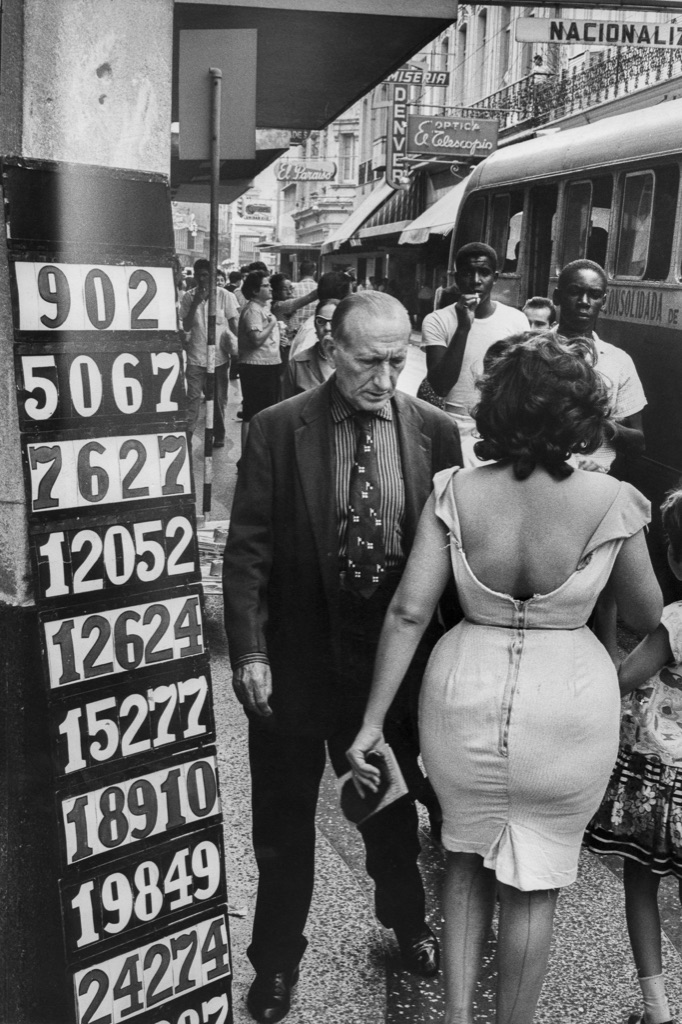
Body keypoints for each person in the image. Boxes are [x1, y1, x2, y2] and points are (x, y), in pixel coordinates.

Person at [348, 331, 662, 1024]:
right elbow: (645, 614)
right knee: (534, 885)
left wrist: (372, 723)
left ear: (498, 410)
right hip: (568, 707)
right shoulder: (612, 500)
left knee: (463, 859)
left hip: (463, 694)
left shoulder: (455, 491)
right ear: (580, 414)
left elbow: (408, 611)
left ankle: (457, 1018)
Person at [223, 292, 462, 1024]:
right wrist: (251, 650)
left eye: (398, 361)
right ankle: (274, 965)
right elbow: (249, 549)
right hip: (295, 663)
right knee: (285, 824)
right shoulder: (277, 428)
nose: (385, 378)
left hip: (387, 669)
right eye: (368, 361)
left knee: (391, 817)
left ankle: (408, 927)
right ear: (332, 348)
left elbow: (452, 553)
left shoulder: (435, 431)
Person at [584, 487, 682, 1024]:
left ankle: (657, 1009)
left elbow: (618, 682)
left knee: (642, 883)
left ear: (672, 557)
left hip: (654, 782)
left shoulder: (675, 622)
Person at [422, 242, 528, 466]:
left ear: (495, 277)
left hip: (500, 427)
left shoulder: (516, 320)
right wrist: (463, 327)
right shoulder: (437, 320)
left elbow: (521, 384)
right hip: (453, 423)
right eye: (468, 273)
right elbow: (441, 385)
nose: (476, 280)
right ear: (457, 277)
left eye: (484, 273)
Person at [553, 258, 646, 474]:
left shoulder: (618, 361)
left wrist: (598, 419)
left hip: (594, 479)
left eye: (594, 295)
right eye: (575, 291)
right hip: (541, 474)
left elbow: (638, 443)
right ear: (557, 296)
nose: (584, 301)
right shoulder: (533, 353)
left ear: (603, 302)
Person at [179, 257, 239, 446]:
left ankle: (219, 434)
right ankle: (187, 437)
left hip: (219, 358)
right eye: (198, 276)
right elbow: (186, 326)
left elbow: (234, 324)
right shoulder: (189, 297)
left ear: (213, 276)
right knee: (192, 399)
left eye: (206, 275)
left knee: (218, 399)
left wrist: (238, 350)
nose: (202, 280)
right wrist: (196, 303)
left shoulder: (225, 296)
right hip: (196, 357)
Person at [237, 270, 281, 444]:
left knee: (263, 410)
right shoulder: (253, 310)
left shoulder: (261, 308)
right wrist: (272, 323)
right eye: (265, 285)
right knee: (252, 410)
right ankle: (248, 455)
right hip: (256, 366)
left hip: (267, 364)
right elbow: (256, 339)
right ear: (255, 291)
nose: (270, 288)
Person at [280, 298, 338, 399]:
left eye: (333, 322)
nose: (327, 328)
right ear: (315, 325)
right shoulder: (298, 364)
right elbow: (283, 408)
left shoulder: (354, 361)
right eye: (321, 321)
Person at [288, 271, 353, 358]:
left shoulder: (334, 325)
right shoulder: (313, 331)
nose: (352, 297)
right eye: (350, 293)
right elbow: (303, 367)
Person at [270, 273, 317, 374]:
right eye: (284, 289)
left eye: (290, 288)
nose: (289, 292)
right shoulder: (279, 305)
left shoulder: (287, 306)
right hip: (283, 350)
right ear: (274, 291)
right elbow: (308, 298)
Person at [287, 260, 318, 336]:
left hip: (296, 332)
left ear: (299, 272)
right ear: (315, 273)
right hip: (314, 333)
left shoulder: (292, 289)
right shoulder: (320, 289)